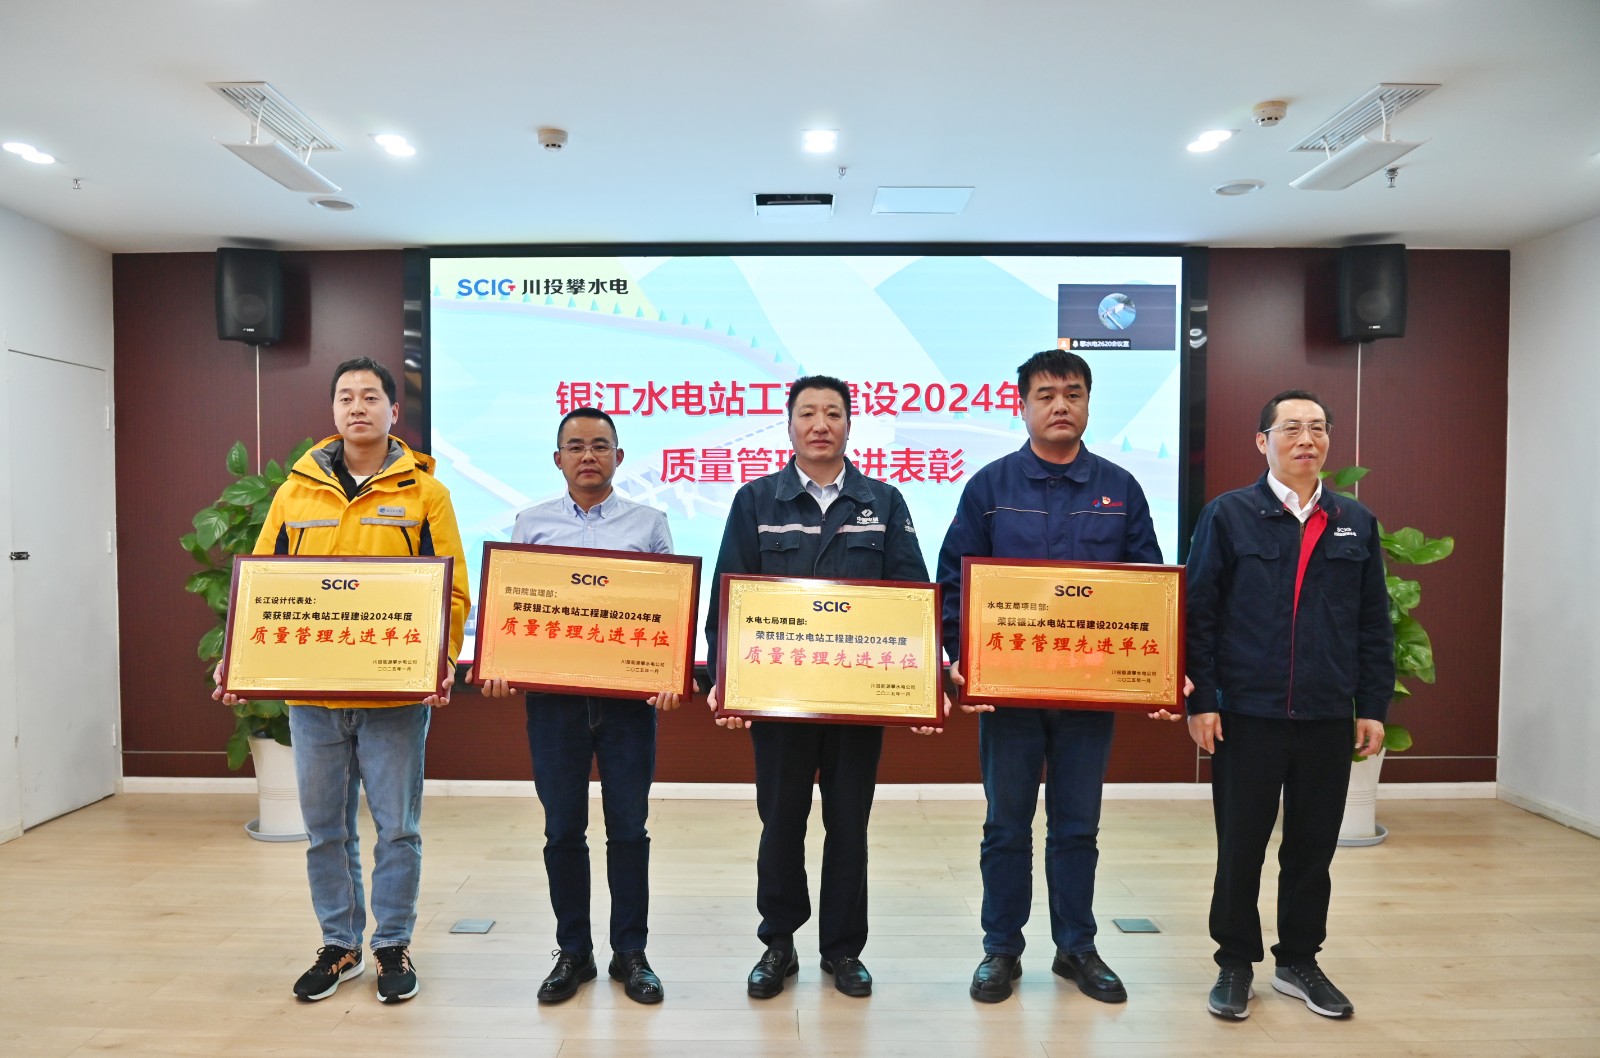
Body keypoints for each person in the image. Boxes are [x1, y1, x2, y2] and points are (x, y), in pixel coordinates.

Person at [217, 356, 470, 1004]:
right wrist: (235, 659)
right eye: (346, 397)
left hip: (393, 699)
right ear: (333, 411)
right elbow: (259, 586)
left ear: (393, 411)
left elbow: (452, 592)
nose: (358, 406)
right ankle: (340, 944)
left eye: (370, 396)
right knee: (326, 830)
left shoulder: (426, 494)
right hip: (313, 700)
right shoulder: (294, 493)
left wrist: (441, 660)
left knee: (397, 829)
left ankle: (392, 945)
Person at [937, 349, 1162, 1005]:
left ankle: (1076, 947)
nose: (1060, 405)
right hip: (1009, 694)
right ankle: (1001, 949)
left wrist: (1156, 665)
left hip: (1090, 691)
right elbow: (955, 582)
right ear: (1022, 406)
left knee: (1077, 827)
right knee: (1006, 826)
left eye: (1073, 393)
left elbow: (1148, 585)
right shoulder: (989, 488)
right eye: (1046, 395)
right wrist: (961, 658)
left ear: (1088, 402)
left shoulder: (1121, 488)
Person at [704, 375, 932, 999]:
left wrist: (922, 683)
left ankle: (843, 950)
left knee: (849, 825)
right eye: (807, 413)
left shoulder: (884, 503)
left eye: (833, 412)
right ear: (789, 425)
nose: (820, 424)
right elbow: (728, 599)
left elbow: (911, 598)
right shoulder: (756, 501)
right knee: (781, 821)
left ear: (850, 425)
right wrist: (725, 679)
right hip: (778, 700)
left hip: (857, 702)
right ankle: (778, 943)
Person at [1184, 389, 1393, 1021]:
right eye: (1291, 428)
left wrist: (1372, 704)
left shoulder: (1355, 520)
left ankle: (1299, 961)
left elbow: (1372, 622)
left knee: (1312, 849)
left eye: (1318, 428)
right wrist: (1203, 699)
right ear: (1263, 441)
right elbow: (1199, 614)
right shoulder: (1228, 515)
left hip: (1327, 714)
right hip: (1248, 714)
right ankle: (1234, 963)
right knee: (1240, 847)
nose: (1307, 439)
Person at [478, 407, 683, 1006]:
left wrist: (670, 674)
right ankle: (574, 952)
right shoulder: (531, 523)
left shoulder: (650, 524)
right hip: (554, 704)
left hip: (628, 706)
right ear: (558, 459)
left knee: (629, 829)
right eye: (575, 446)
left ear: (619, 456)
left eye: (600, 445)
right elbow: (510, 609)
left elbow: (671, 612)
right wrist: (498, 664)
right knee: (562, 829)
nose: (588, 455)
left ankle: (630, 953)